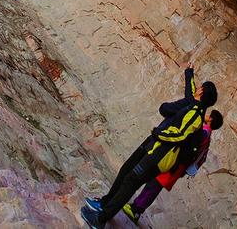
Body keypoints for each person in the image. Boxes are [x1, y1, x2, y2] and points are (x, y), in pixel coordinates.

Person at [80, 65, 217, 228]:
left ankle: (100, 219)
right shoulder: (195, 107)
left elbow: (180, 135)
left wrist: (158, 133)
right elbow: (189, 93)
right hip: (156, 148)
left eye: (200, 87)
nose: (197, 88)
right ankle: (103, 210)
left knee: (131, 181)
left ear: (201, 92)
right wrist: (189, 74)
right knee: (128, 174)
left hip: (160, 154)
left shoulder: (196, 114)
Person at [122, 109, 224, 224]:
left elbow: (187, 144)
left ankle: (136, 210)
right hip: (178, 166)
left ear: (210, 119)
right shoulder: (207, 135)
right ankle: (136, 207)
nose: (205, 115)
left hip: (175, 164)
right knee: (154, 184)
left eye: (208, 114)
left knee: (154, 185)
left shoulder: (204, 132)